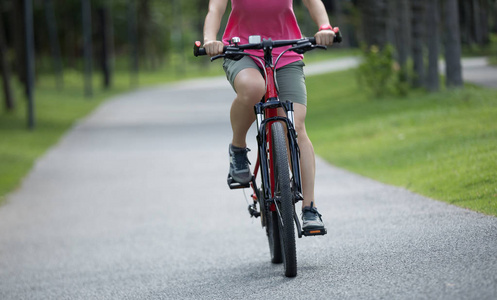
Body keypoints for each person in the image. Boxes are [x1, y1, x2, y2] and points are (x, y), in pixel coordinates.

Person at [202, 0, 335, 231]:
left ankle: (310, 208)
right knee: (254, 89)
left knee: (295, 125)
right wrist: (210, 40)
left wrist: (324, 27)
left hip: (286, 51)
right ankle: (238, 148)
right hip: (241, 51)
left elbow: (313, 2)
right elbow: (216, 9)